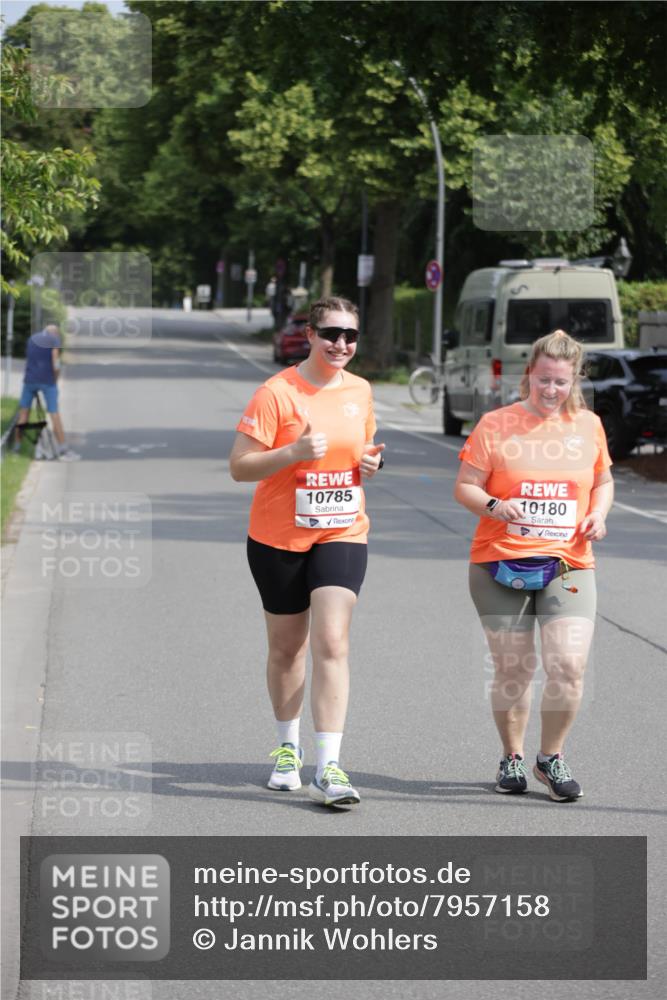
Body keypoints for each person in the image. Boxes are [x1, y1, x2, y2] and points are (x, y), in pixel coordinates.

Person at [229, 296, 385, 808]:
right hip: (278, 536)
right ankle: (287, 750)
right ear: (310, 334)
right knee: (287, 647)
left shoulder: (360, 391)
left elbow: (359, 450)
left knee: (333, 641)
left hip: (341, 529)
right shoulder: (276, 393)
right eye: (332, 333)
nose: (342, 344)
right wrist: (293, 453)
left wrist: (367, 463)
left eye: (351, 336)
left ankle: (330, 766)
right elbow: (240, 466)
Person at [454, 330, 613, 802]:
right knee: (514, 670)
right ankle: (512, 757)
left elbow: (603, 481)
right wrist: (495, 506)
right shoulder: (496, 424)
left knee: (568, 666)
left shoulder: (588, 425)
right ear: (530, 375)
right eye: (543, 380)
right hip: (500, 564)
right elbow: (465, 487)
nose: (550, 391)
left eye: (560, 383)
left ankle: (551, 757)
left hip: (570, 562)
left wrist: (598, 513)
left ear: (574, 381)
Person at [16, 324, 80, 461]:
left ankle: (16, 448)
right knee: (54, 413)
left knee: (23, 414)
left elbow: (29, 359)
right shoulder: (54, 339)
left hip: (29, 380)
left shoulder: (31, 339)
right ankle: (63, 450)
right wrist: (55, 379)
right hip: (47, 381)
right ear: (55, 333)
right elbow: (55, 362)